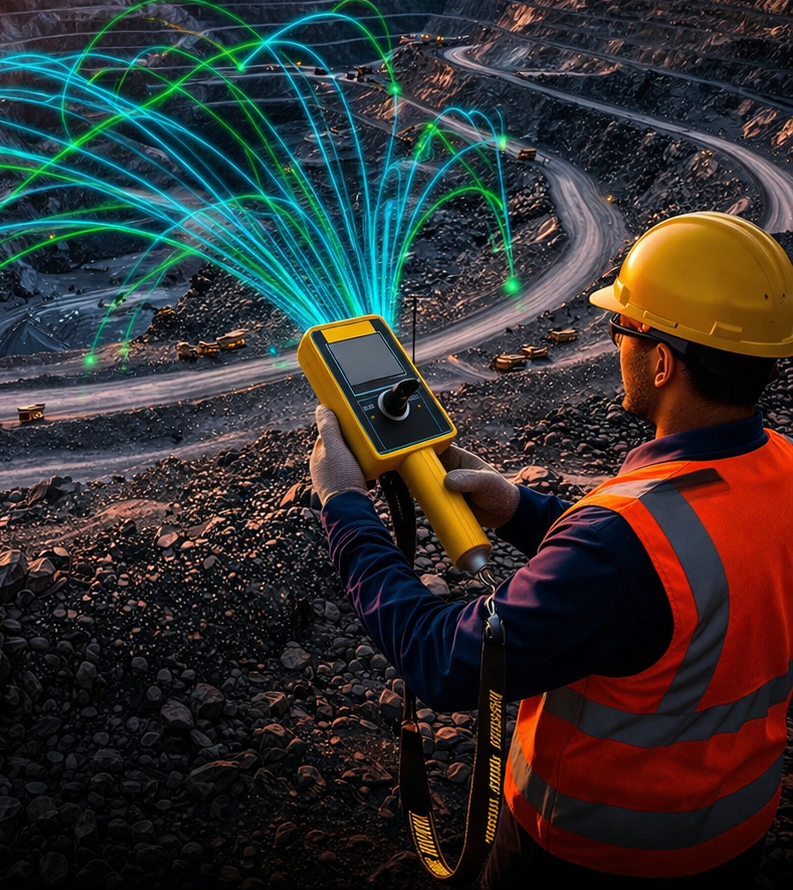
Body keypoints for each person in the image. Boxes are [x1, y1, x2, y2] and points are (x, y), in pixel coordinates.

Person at [309, 212, 793, 887]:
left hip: (590, 855)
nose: (613, 342)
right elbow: (677, 576)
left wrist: (346, 510)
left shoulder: (622, 544)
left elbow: (446, 662)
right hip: (732, 833)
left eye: (621, 326)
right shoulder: (781, 470)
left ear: (660, 361)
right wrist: (520, 510)